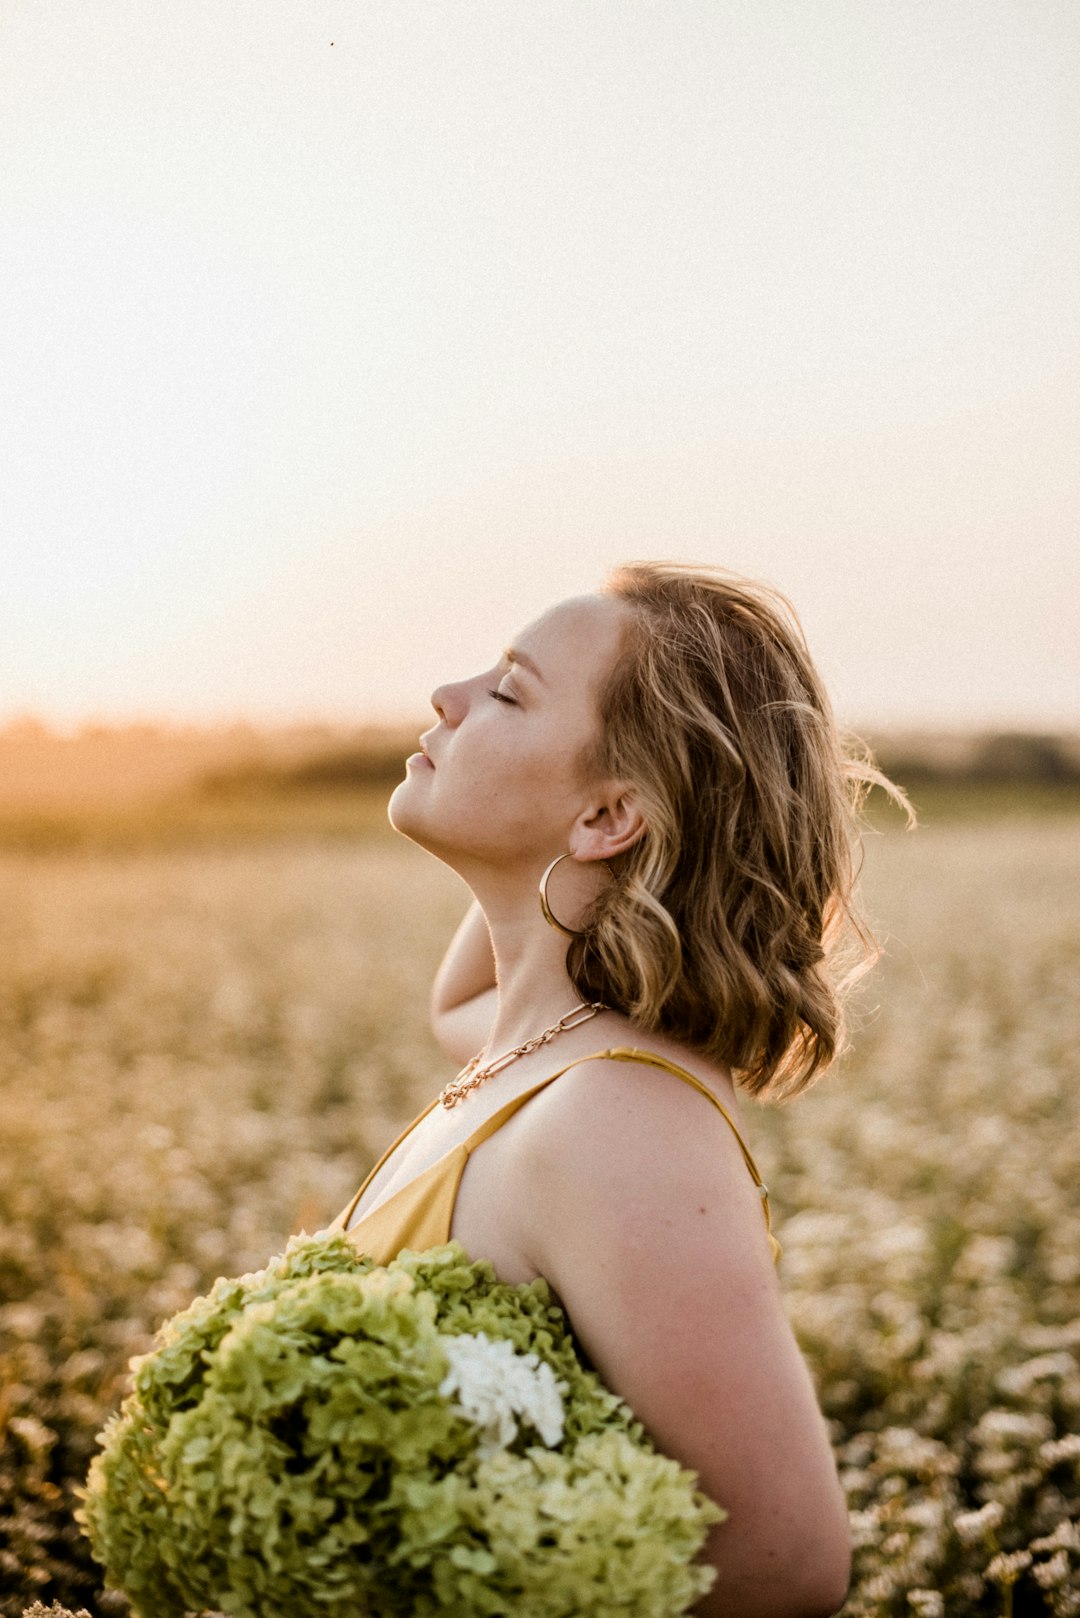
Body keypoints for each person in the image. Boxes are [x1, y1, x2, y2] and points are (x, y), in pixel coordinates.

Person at [333, 562, 894, 1617]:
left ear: (608, 815)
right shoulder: (526, 1055)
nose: (444, 697)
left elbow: (787, 1566)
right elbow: (465, 999)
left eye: (505, 691)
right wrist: (547, 878)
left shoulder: (613, 1122)